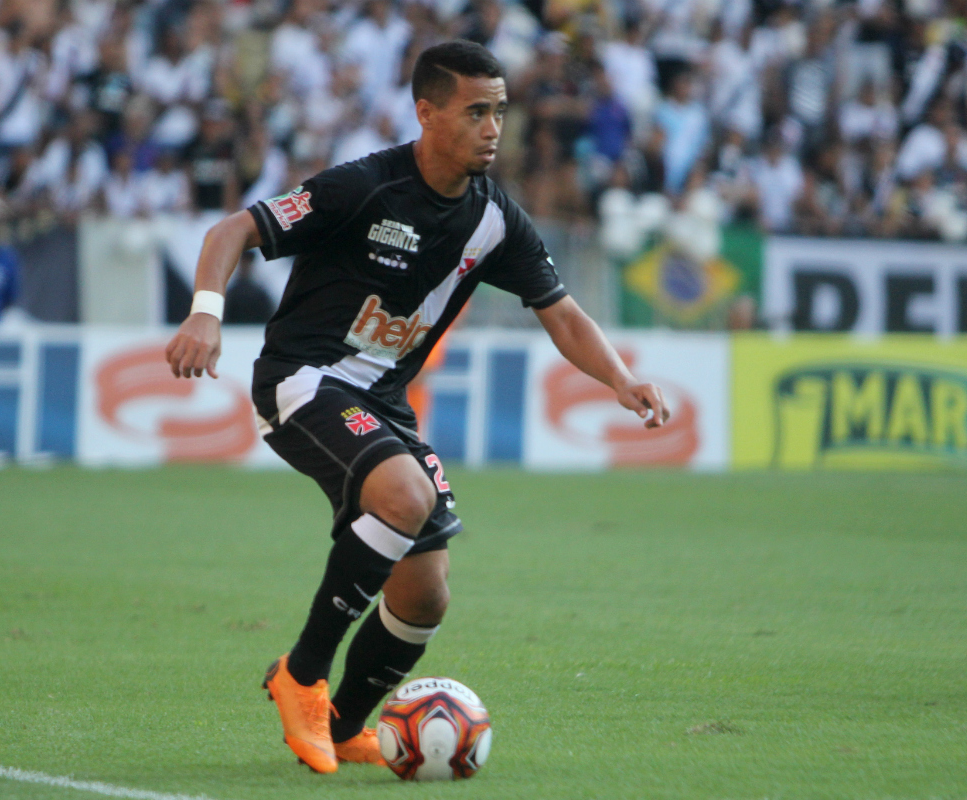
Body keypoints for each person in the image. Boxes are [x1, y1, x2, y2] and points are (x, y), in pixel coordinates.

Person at [164, 41, 671, 775]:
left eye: (499, 111)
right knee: (405, 494)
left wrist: (621, 379)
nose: (494, 127)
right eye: (475, 111)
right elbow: (232, 230)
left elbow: (560, 314)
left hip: (382, 404)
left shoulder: (496, 219)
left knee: (425, 593)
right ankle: (301, 675)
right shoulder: (364, 188)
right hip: (303, 379)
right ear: (426, 113)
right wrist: (205, 313)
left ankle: (342, 727)